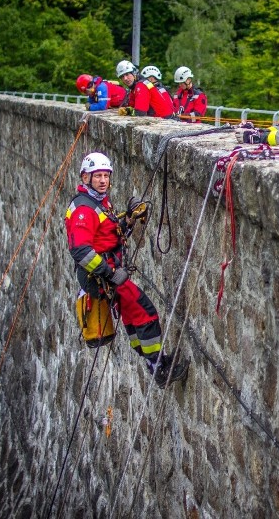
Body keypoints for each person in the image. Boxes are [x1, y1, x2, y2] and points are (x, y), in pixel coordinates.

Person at [65, 152, 188, 387]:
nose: (102, 180)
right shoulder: (84, 210)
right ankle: (158, 368)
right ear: (85, 177)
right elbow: (80, 251)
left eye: (105, 176)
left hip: (107, 273)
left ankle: (153, 362)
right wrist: (110, 274)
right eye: (97, 176)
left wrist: (128, 219)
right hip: (102, 276)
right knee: (146, 311)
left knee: (133, 314)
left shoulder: (100, 202)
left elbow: (110, 236)